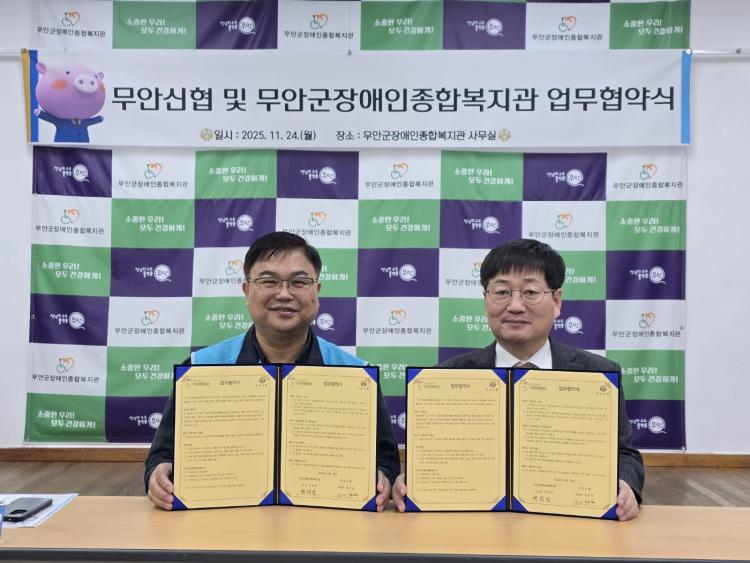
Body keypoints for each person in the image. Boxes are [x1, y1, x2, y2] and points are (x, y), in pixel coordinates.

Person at [391, 239, 644, 521]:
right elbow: (433, 458)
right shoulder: (445, 379)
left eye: (530, 292)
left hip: (570, 522)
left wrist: (626, 485)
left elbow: (625, 455)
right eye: (501, 292)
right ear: (485, 298)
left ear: (557, 301)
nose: (515, 306)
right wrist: (410, 481)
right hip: (472, 525)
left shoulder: (596, 375)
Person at [145, 231, 400, 511]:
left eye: (299, 282)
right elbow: (163, 455)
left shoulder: (357, 375)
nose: (284, 294)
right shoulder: (200, 368)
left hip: (328, 519)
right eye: (269, 281)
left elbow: (385, 460)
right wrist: (159, 473)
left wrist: (383, 477)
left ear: (316, 290)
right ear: (246, 290)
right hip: (225, 518)